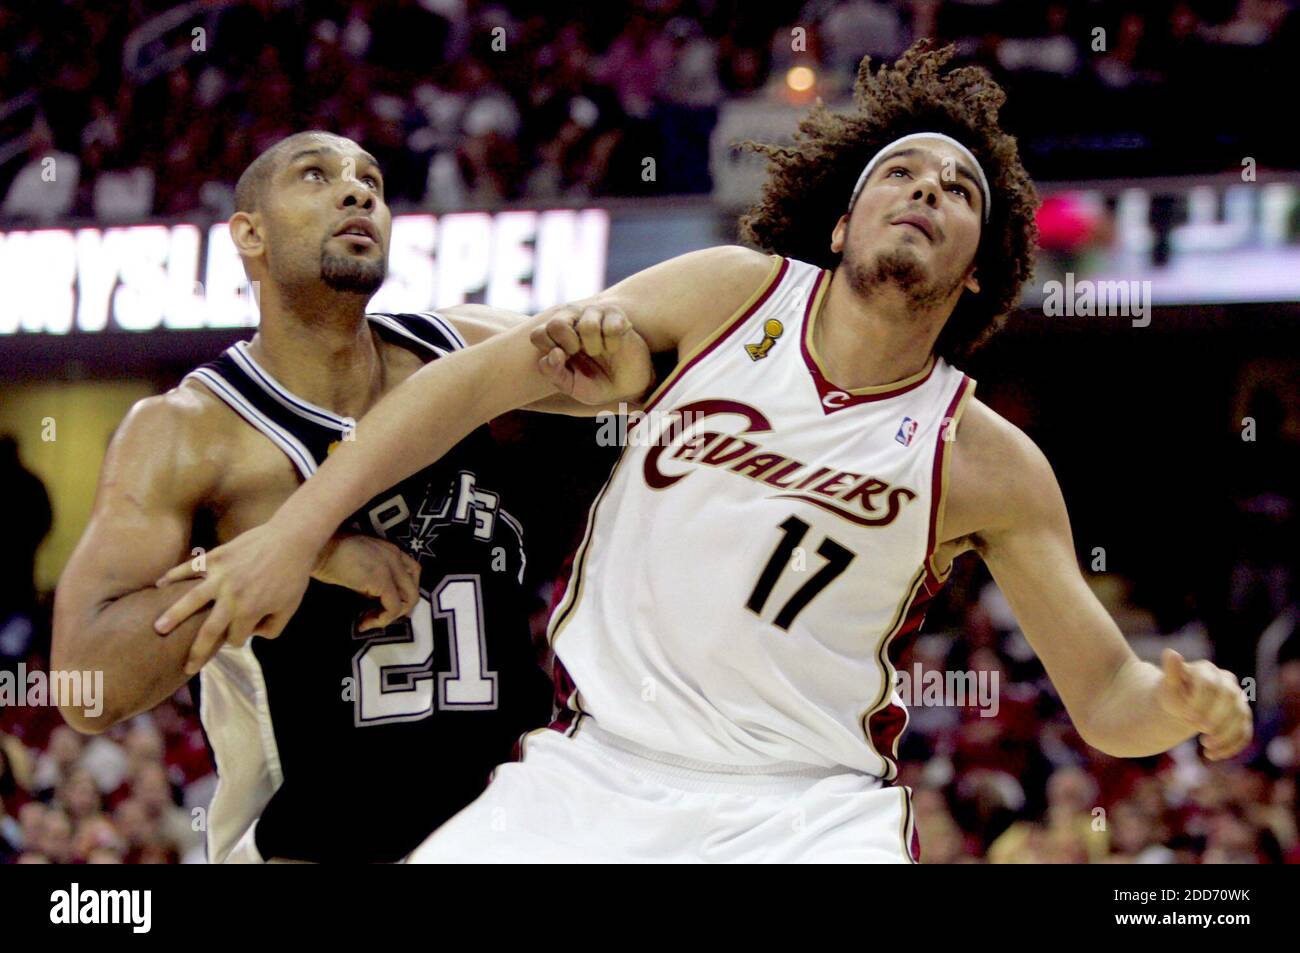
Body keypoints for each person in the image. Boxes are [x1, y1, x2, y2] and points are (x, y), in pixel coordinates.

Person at [153, 46, 1252, 863]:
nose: (925, 189)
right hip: (596, 770)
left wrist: (1178, 705)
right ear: (840, 221)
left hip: (805, 807)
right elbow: (469, 381)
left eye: (957, 191)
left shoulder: (986, 458)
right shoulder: (727, 297)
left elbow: (1104, 688)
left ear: (976, 272)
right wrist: (295, 533)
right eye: (902, 172)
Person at [54, 131, 652, 863]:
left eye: (371, 179)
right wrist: (296, 557)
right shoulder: (188, 430)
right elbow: (87, 685)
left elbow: (653, 359)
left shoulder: (462, 351)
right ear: (250, 233)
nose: (357, 190)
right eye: (316, 175)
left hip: (517, 820)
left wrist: (621, 357)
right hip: (323, 834)